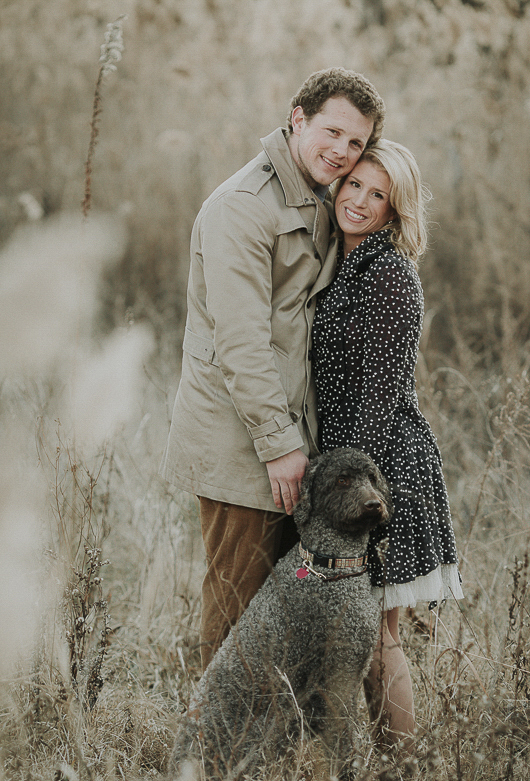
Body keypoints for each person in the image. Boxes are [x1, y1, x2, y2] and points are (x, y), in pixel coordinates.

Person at [160, 69, 386, 670]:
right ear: (297, 118)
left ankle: (275, 756)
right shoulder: (241, 208)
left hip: (295, 438)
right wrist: (281, 445)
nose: (341, 151)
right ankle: (211, 756)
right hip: (245, 440)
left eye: (356, 143)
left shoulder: (322, 197)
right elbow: (241, 344)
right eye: (331, 132)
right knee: (236, 611)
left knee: (287, 617)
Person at [312, 139, 463, 750]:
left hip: (379, 468)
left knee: (378, 634)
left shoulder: (391, 274)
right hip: (352, 462)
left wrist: (348, 494)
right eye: (354, 186)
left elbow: (379, 396)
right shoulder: (345, 261)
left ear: (395, 209)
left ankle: (405, 776)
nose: (360, 201)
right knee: (359, 633)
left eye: (379, 195)